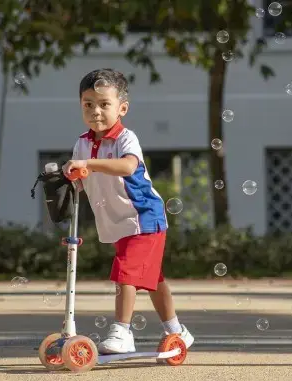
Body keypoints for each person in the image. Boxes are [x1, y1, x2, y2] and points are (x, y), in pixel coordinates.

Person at [63, 68, 194, 355]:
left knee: (126, 272)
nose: (96, 111)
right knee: (152, 279)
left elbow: (128, 166)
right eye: (88, 104)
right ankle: (177, 331)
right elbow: (83, 182)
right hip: (119, 223)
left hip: (143, 217)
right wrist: (68, 176)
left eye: (104, 104)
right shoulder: (83, 143)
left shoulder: (125, 138)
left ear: (122, 108)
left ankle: (122, 332)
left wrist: (89, 164)